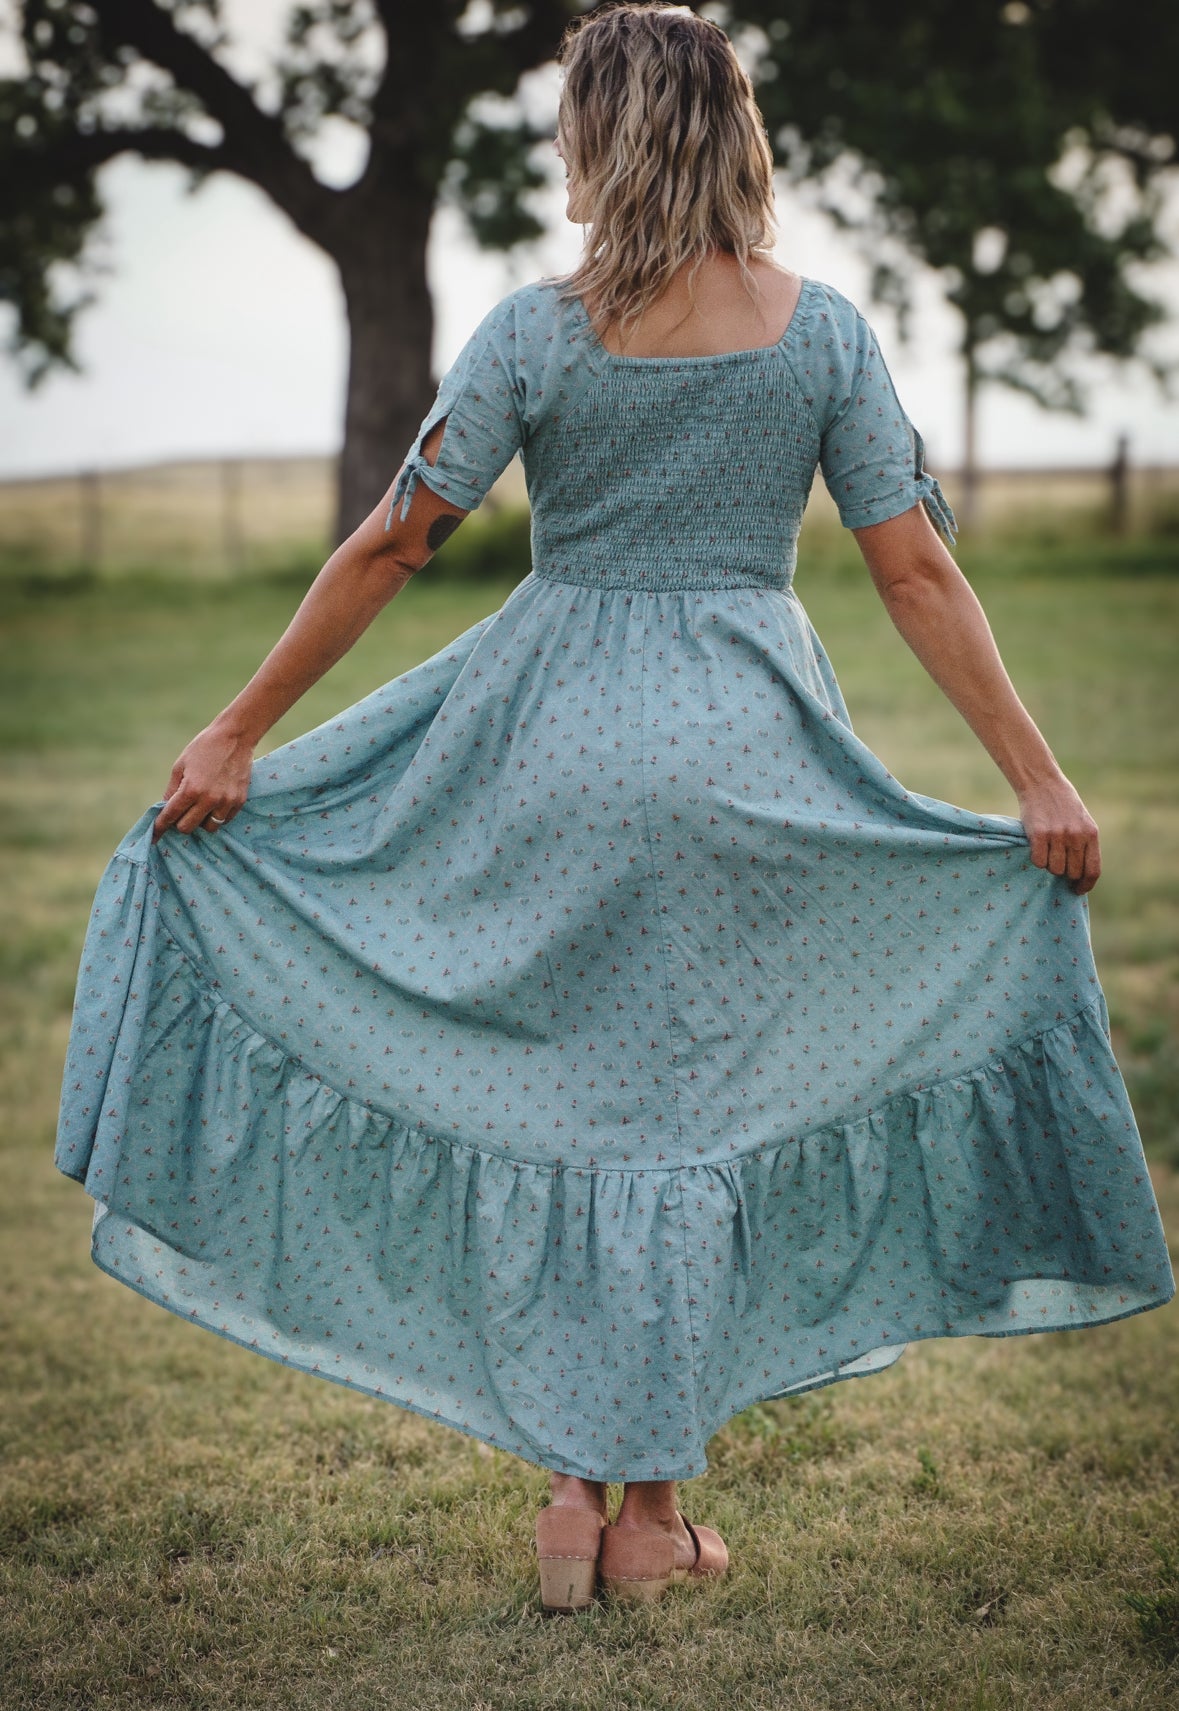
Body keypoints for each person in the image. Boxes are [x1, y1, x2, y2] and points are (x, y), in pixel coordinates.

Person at [56, 2, 1173, 1613]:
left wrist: (238, 730)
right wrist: (1035, 777)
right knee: (685, 1116)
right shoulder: (822, 334)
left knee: (572, 1102)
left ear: (602, 137)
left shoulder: (534, 331)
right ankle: (651, 1518)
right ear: (735, 131)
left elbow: (392, 541)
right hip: (748, 763)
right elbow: (915, 565)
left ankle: (575, 1503)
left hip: (546, 748)